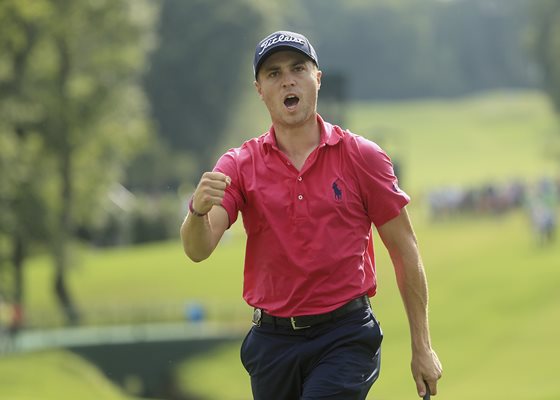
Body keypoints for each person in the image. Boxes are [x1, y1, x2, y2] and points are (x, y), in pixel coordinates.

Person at [180, 30, 442, 399]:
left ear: (316, 78)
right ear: (260, 89)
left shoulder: (361, 157)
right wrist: (196, 212)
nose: (287, 79)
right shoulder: (239, 165)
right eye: (273, 73)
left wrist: (422, 346)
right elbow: (199, 247)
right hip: (272, 343)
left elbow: (405, 249)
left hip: (345, 335)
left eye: (298, 68)